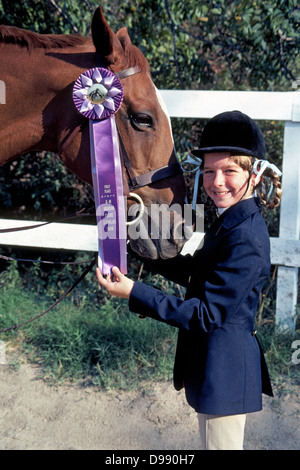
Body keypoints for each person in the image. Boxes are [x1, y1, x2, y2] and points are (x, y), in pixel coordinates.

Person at [96, 110, 282, 450]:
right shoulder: (233, 220)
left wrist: (133, 292)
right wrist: (131, 246)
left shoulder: (247, 238)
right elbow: (197, 273)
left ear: (254, 174)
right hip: (211, 365)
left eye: (229, 171)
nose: (216, 182)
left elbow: (206, 315)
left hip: (224, 373)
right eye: (209, 171)